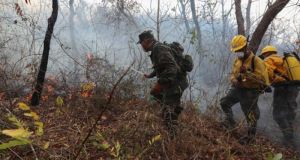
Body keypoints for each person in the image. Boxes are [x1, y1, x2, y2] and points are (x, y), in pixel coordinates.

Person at [137, 30, 188, 137]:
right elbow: (162, 66)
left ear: (147, 41)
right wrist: (150, 75)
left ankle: (172, 138)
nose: (141, 46)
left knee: (168, 112)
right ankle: (174, 110)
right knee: (160, 98)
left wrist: (160, 84)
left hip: (175, 84)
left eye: (141, 43)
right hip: (177, 82)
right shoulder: (158, 48)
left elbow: (171, 68)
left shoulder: (158, 49)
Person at [220, 35, 270, 144]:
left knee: (250, 114)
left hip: (251, 91)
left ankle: (250, 138)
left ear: (246, 47)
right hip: (238, 88)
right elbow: (232, 75)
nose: (238, 52)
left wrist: (247, 73)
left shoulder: (256, 61)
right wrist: (234, 80)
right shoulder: (237, 61)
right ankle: (231, 123)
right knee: (224, 102)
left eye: (240, 50)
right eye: (236, 50)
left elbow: (260, 79)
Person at [260, 45, 299, 148]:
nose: (264, 57)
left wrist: (265, 84)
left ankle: (288, 138)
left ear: (265, 54)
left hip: (282, 88)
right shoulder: (282, 59)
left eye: (263, 55)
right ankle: (291, 137)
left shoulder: (269, 59)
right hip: (294, 87)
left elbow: (267, 72)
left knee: (277, 114)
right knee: (289, 112)